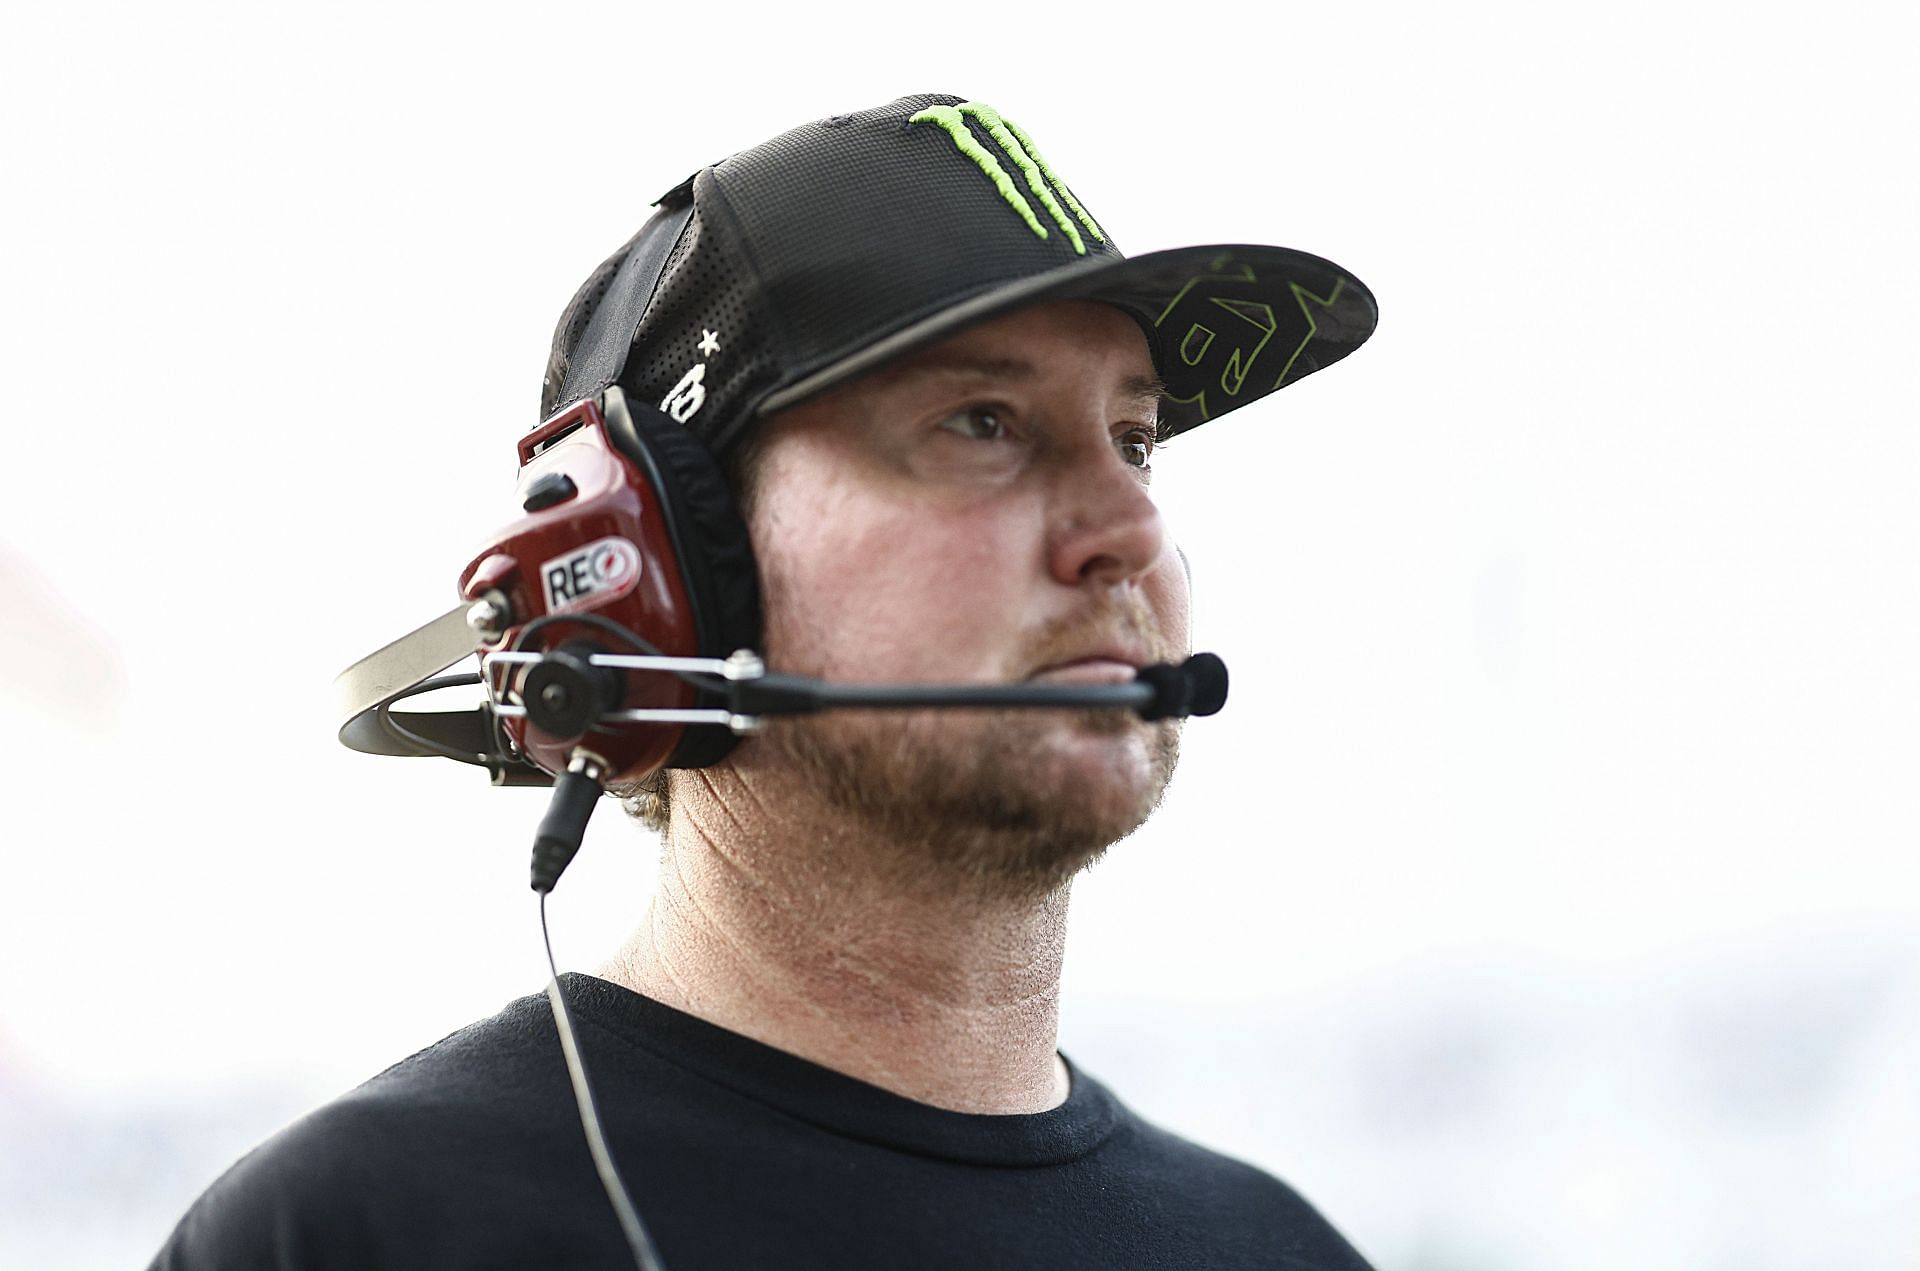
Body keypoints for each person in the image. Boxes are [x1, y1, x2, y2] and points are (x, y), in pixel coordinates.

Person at [152, 93, 1379, 1270]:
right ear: (668, 571)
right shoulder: (359, 1234)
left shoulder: (1285, 1248)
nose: (1130, 527)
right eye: (983, 422)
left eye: (1136, 439)